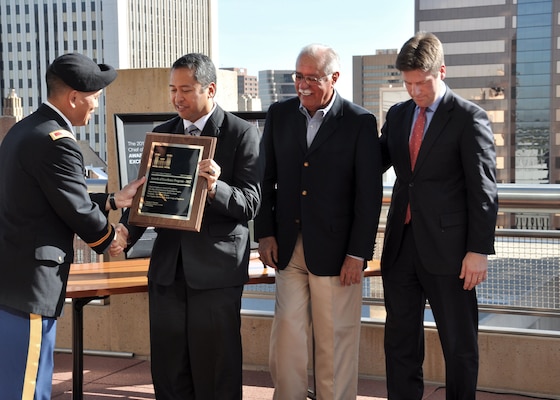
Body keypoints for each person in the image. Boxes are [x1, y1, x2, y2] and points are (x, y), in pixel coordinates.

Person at [113, 53, 263, 400]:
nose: (177, 98)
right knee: (169, 366)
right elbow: (144, 197)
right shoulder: (162, 134)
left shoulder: (241, 134)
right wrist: (125, 234)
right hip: (167, 269)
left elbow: (250, 204)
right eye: (172, 90)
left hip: (216, 272)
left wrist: (215, 188)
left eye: (186, 89)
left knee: (215, 367)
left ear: (210, 89)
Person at [0, 53, 145, 400]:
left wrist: (111, 200)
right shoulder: (59, 142)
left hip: (13, 279)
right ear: (74, 97)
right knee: (28, 386)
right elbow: (77, 210)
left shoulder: (24, 129)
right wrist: (111, 239)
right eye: (95, 96)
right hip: (32, 285)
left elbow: (50, 198)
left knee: (13, 379)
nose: (96, 104)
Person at [254, 44, 383, 400]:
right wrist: (263, 232)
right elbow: (264, 179)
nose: (302, 84)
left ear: (334, 78)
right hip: (287, 246)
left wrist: (359, 254)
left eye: (311, 78)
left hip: (338, 253)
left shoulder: (359, 122)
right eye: (298, 76)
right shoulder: (279, 114)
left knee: (335, 342)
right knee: (287, 340)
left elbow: (368, 196)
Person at [378, 32, 498, 400]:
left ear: (441, 71)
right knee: (399, 343)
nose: (414, 91)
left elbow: (484, 190)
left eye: (422, 83)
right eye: (408, 83)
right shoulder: (398, 115)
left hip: (452, 252)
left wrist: (478, 250)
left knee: (459, 345)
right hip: (401, 246)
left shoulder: (468, 118)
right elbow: (373, 163)